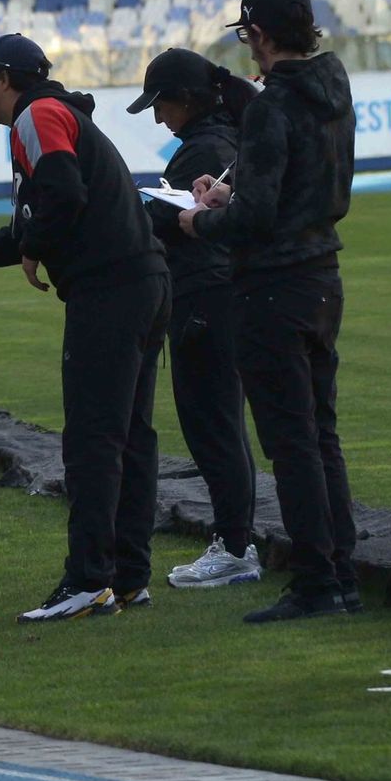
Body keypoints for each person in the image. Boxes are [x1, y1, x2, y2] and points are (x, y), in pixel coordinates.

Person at [0, 33, 170, 623]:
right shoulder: (59, 112)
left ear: (4, 79)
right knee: (130, 435)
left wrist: (36, 245)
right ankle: (127, 576)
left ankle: (89, 580)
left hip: (110, 289)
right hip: (143, 280)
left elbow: (60, 198)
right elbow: (37, 223)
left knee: (94, 439)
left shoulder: (38, 113)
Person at [179, 0, 358, 624]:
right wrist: (236, 199)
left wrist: (203, 221)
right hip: (321, 275)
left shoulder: (269, 107)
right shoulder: (333, 92)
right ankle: (341, 573)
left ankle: (315, 582)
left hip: (272, 285)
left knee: (291, 443)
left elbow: (254, 219)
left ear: (257, 34)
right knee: (322, 435)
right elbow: (296, 192)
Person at [127, 49, 262, 590]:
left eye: (162, 105)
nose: (159, 118)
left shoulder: (206, 147)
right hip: (218, 292)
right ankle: (236, 542)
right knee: (220, 423)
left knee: (212, 425)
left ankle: (235, 547)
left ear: (186, 99)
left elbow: (164, 218)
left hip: (204, 295)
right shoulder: (220, 139)